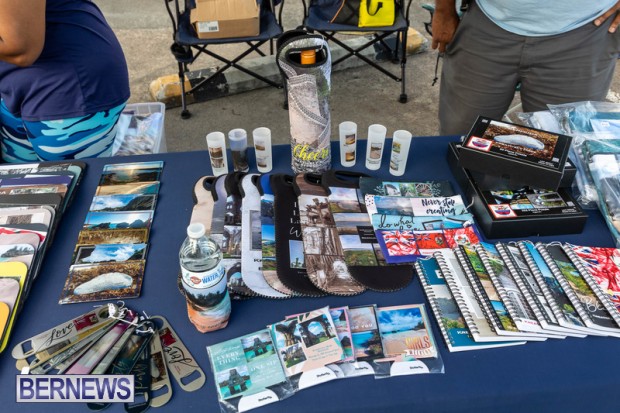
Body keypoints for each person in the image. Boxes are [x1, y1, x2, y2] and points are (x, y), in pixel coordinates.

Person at [432, 0, 620, 135]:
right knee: (460, 138)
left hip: (587, 30)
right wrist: (444, 9)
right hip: (486, 21)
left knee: (564, 149)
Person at [0, 0, 130, 162]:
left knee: (75, 178)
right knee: (19, 176)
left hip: (67, 88)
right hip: (14, 86)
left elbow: (20, 49)